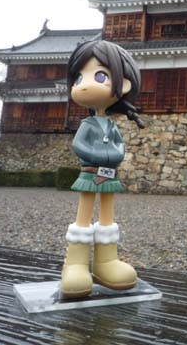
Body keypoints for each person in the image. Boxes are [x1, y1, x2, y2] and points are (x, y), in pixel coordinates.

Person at [61, 40, 144, 298]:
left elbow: (119, 147)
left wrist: (114, 155)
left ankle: (105, 261)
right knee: (84, 211)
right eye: (78, 78)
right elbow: (79, 145)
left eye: (99, 76)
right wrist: (98, 155)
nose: (84, 84)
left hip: (108, 174)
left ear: (124, 84)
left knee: (107, 210)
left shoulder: (112, 125)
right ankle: (75, 263)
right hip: (90, 172)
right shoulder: (88, 124)